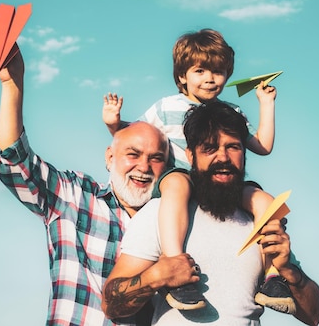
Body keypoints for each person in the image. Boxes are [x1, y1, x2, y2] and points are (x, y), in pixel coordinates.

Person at [0, 43, 196, 326]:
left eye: (156, 158)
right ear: (110, 157)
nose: (144, 167)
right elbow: (14, 162)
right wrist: (13, 86)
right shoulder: (75, 197)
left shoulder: (174, 220)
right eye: (133, 155)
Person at [102, 29, 293, 313]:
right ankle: (176, 265)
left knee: (264, 201)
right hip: (180, 176)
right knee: (177, 187)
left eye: (217, 71)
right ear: (182, 76)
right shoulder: (167, 107)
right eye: (200, 70)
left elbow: (262, 146)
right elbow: (136, 134)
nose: (209, 78)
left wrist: (267, 104)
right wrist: (114, 124)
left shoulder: (232, 114)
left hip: (220, 180)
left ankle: (272, 277)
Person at [101, 101, 319, 326]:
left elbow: (314, 315)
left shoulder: (261, 220)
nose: (223, 158)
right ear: (190, 156)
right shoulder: (161, 214)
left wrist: (289, 271)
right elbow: (110, 305)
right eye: (209, 148)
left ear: (245, 153)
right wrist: (156, 277)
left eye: (233, 147)